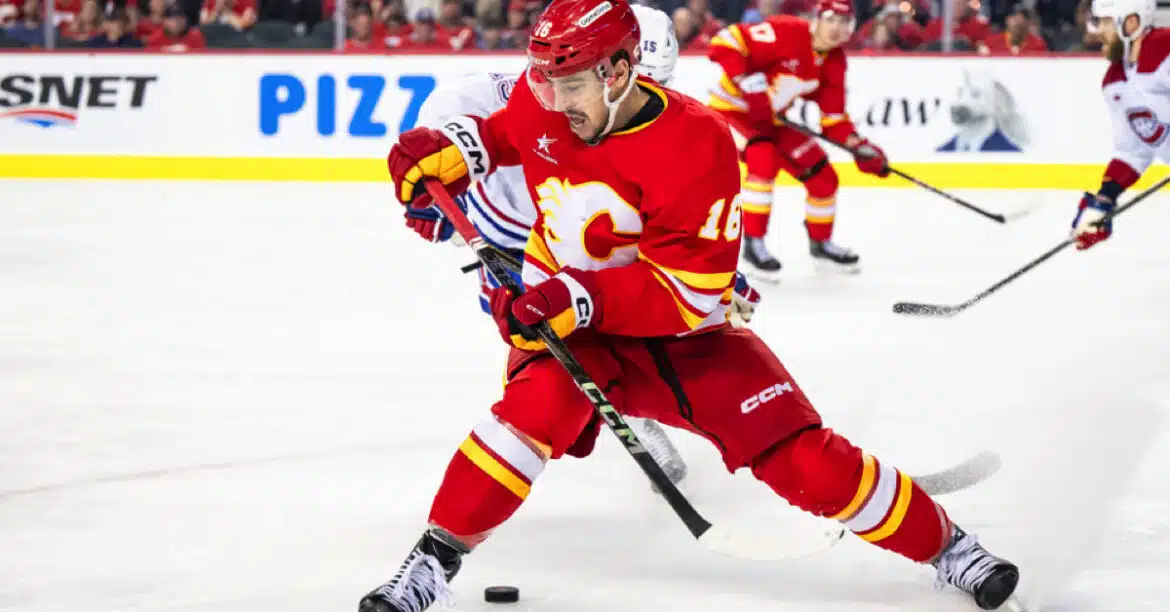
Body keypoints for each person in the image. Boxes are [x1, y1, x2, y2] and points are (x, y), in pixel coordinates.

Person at [368, 1, 1020, 611]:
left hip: (685, 338)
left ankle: (949, 547)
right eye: (543, 83)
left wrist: (573, 295)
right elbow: (506, 132)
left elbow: (691, 294)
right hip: (581, 334)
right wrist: (454, 150)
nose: (550, 101)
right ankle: (433, 563)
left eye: (569, 87)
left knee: (806, 461)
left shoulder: (699, 144)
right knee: (525, 421)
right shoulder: (548, 101)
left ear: (620, 72)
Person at [406, 3, 755, 487]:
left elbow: (669, 232)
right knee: (537, 339)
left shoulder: (664, 123)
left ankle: (627, 410)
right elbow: (445, 135)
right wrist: (440, 194)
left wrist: (714, 277)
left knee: (611, 321)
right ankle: (584, 414)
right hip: (513, 234)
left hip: (582, 235)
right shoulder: (516, 97)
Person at [706, 0, 892, 280]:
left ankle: (821, 245)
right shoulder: (788, 31)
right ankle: (754, 245)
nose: (837, 28)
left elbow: (833, 120)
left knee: (823, 175)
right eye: (832, 19)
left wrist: (858, 146)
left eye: (845, 23)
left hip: (772, 120)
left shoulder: (835, 61)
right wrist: (749, 83)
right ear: (817, 19)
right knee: (763, 161)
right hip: (730, 112)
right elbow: (724, 41)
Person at [1072, 0, 1165, 250]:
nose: (1097, 31)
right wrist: (1104, 199)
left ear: (1131, 23)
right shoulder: (1115, 82)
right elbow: (1132, 153)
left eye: (1105, 22)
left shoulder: (1164, 49)